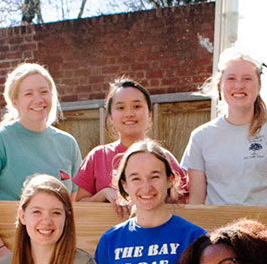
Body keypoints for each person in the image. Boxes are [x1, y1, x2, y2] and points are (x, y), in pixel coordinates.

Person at [0, 63, 83, 261]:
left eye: (44, 91)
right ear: (14, 101)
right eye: (28, 94)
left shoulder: (67, 143)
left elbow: (73, 201)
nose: (38, 99)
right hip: (12, 254)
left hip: (57, 256)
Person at [183, 48, 267, 207]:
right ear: (220, 86)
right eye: (231, 78)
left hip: (261, 230)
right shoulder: (200, 137)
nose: (239, 85)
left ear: (259, 86)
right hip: (214, 230)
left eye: (247, 79)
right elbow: (196, 203)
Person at [75, 79, 188, 218]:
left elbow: (184, 205)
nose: (129, 113)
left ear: (150, 114)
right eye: (121, 108)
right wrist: (105, 194)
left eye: (136, 106)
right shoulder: (98, 156)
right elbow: (79, 207)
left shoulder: (164, 158)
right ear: (110, 116)